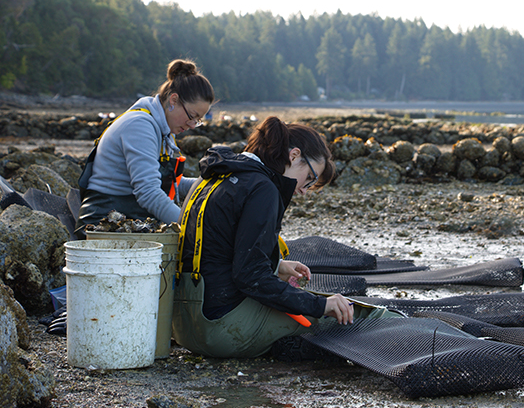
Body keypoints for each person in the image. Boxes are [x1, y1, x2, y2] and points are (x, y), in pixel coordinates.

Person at [172, 116, 398, 358]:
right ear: (294, 155)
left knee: (306, 305)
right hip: (218, 330)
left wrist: (276, 264)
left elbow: (213, 249)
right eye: (310, 178)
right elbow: (250, 277)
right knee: (337, 318)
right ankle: (400, 331)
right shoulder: (262, 188)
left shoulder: (215, 175)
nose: (303, 190)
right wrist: (322, 306)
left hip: (183, 325)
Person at [75, 59, 214, 237]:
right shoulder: (140, 126)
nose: (193, 125)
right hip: (101, 226)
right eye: (192, 116)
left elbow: (171, 183)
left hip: (130, 219)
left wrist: (207, 185)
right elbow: (149, 193)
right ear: (174, 100)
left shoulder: (163, 129)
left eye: (198, 120)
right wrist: (191, 228)